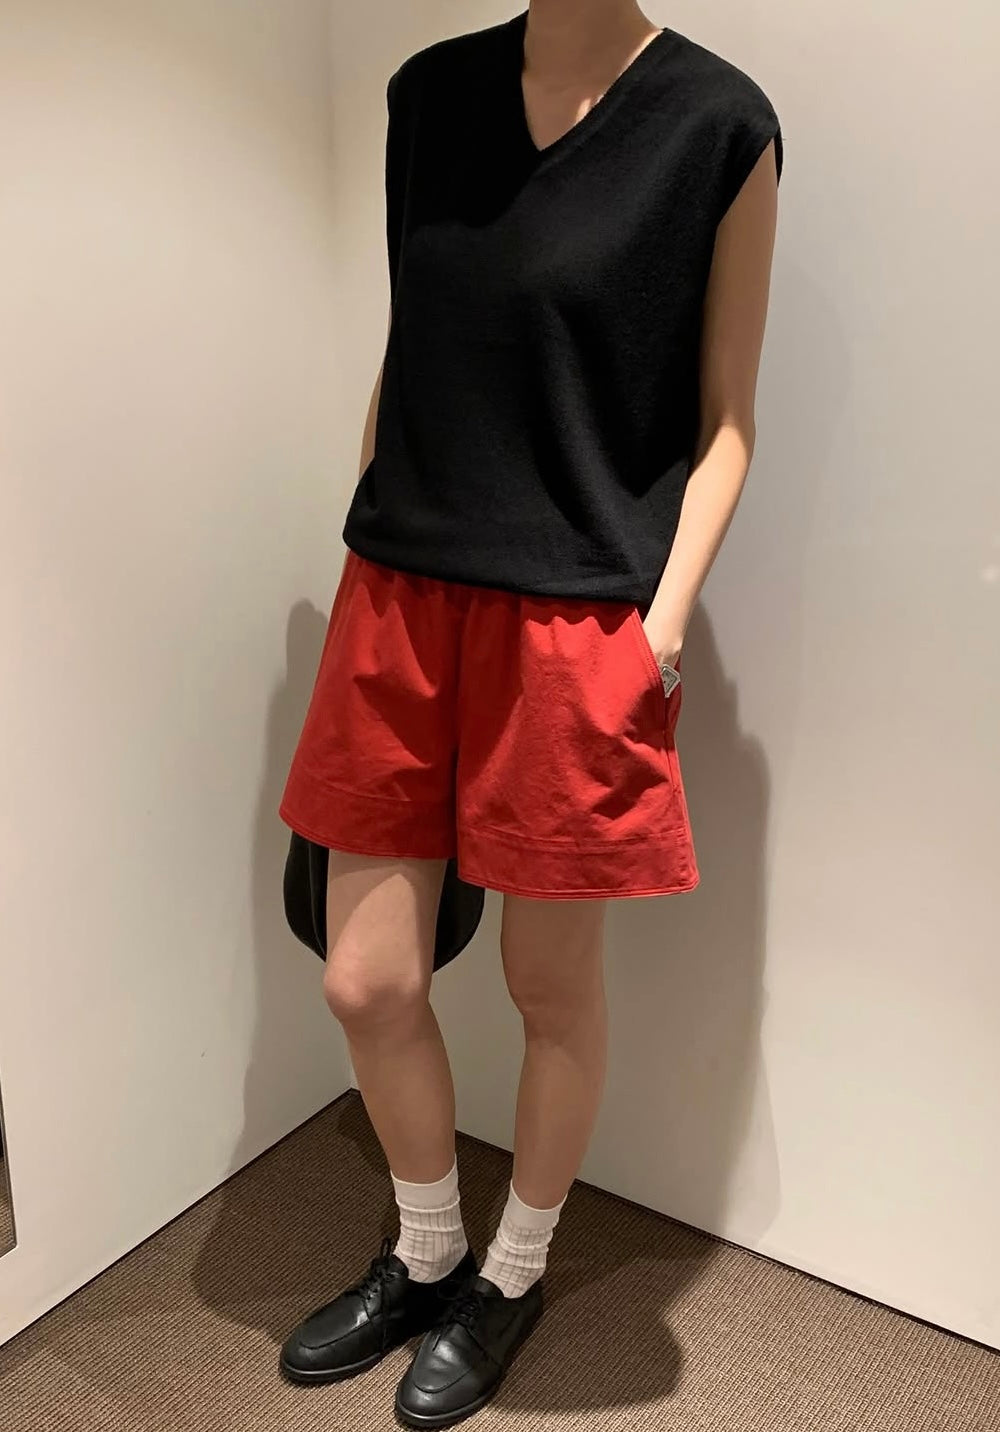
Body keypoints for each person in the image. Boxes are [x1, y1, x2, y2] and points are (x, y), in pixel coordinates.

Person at [276, 2, 782, 1425]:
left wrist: (658, 629)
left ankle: (510, 1274)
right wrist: (369, 520)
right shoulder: (429, 94)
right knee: (367, 980)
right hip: (399, 594)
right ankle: (427, 1249)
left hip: (575, 623)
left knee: (548, 988)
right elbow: (415, 344)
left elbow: (728, 417)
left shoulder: (716, 122)